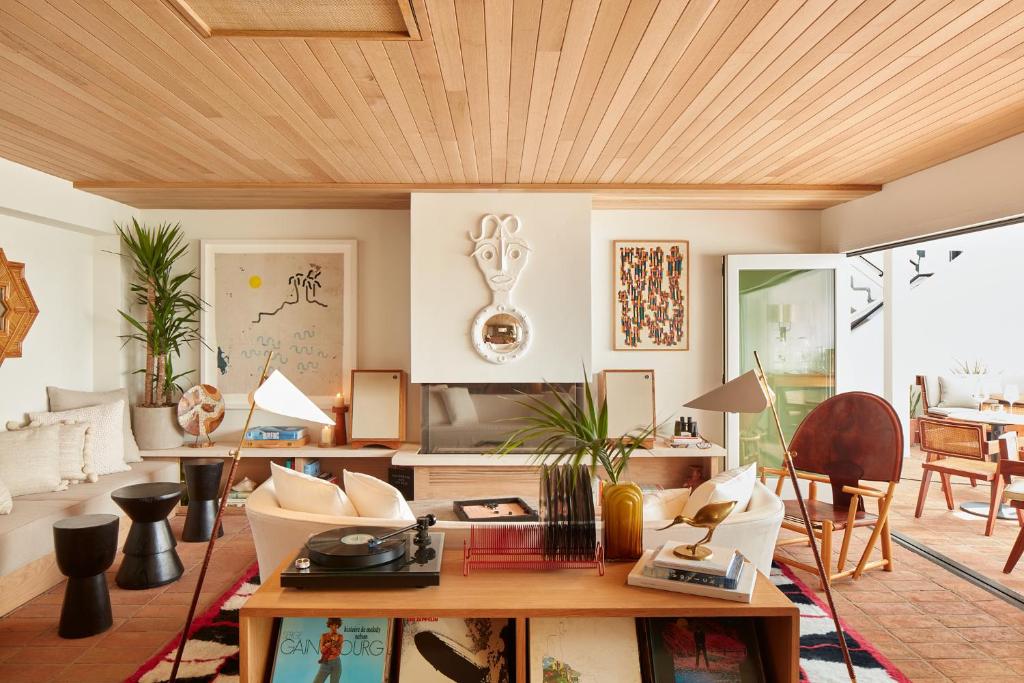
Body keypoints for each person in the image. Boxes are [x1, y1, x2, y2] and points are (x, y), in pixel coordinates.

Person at [313, 618, 343, 683]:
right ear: (329, 625)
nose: (334, 627)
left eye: (336, 625)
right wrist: (330, 644)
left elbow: (338, 652)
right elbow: (322, 651)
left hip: (336, 663)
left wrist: (332, 644)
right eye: (332, 625)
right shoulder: (324, 636)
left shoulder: (340, 637)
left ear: (338, 625)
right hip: (325, 662)